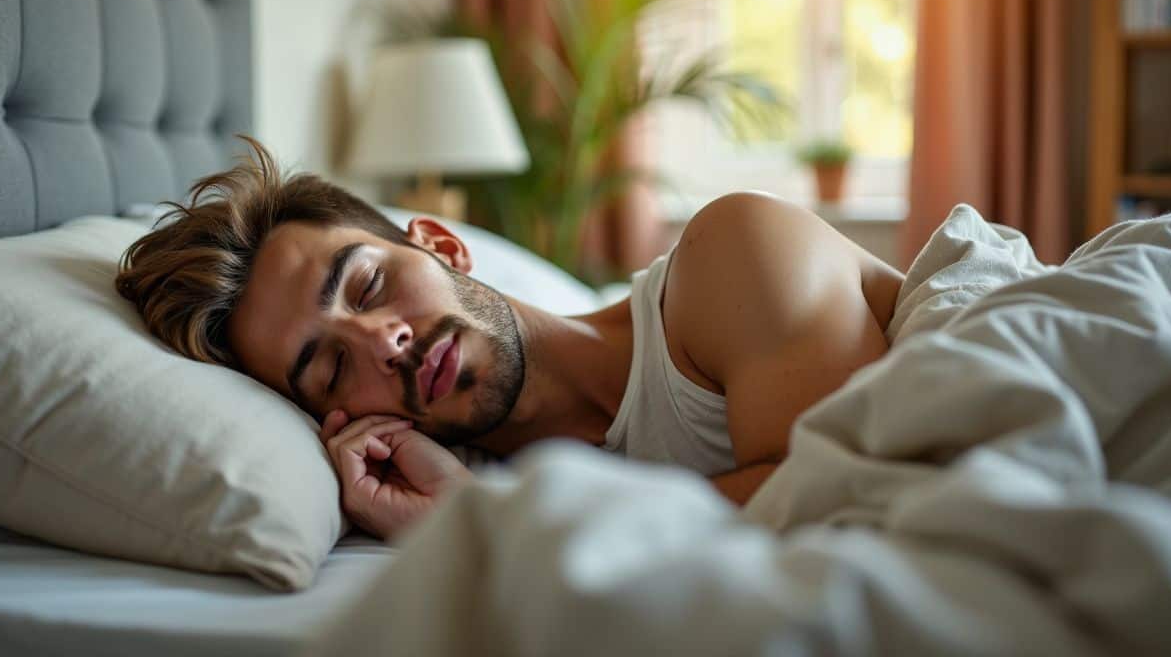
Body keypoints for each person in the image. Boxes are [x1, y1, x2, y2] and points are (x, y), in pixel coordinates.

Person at [116, 138, 905, 540]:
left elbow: (845, 498)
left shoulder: (733, 254)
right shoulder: (476, 486)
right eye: (329, 367)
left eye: (367, 286)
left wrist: (503, 525)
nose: (384, 343)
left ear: (444, 245)